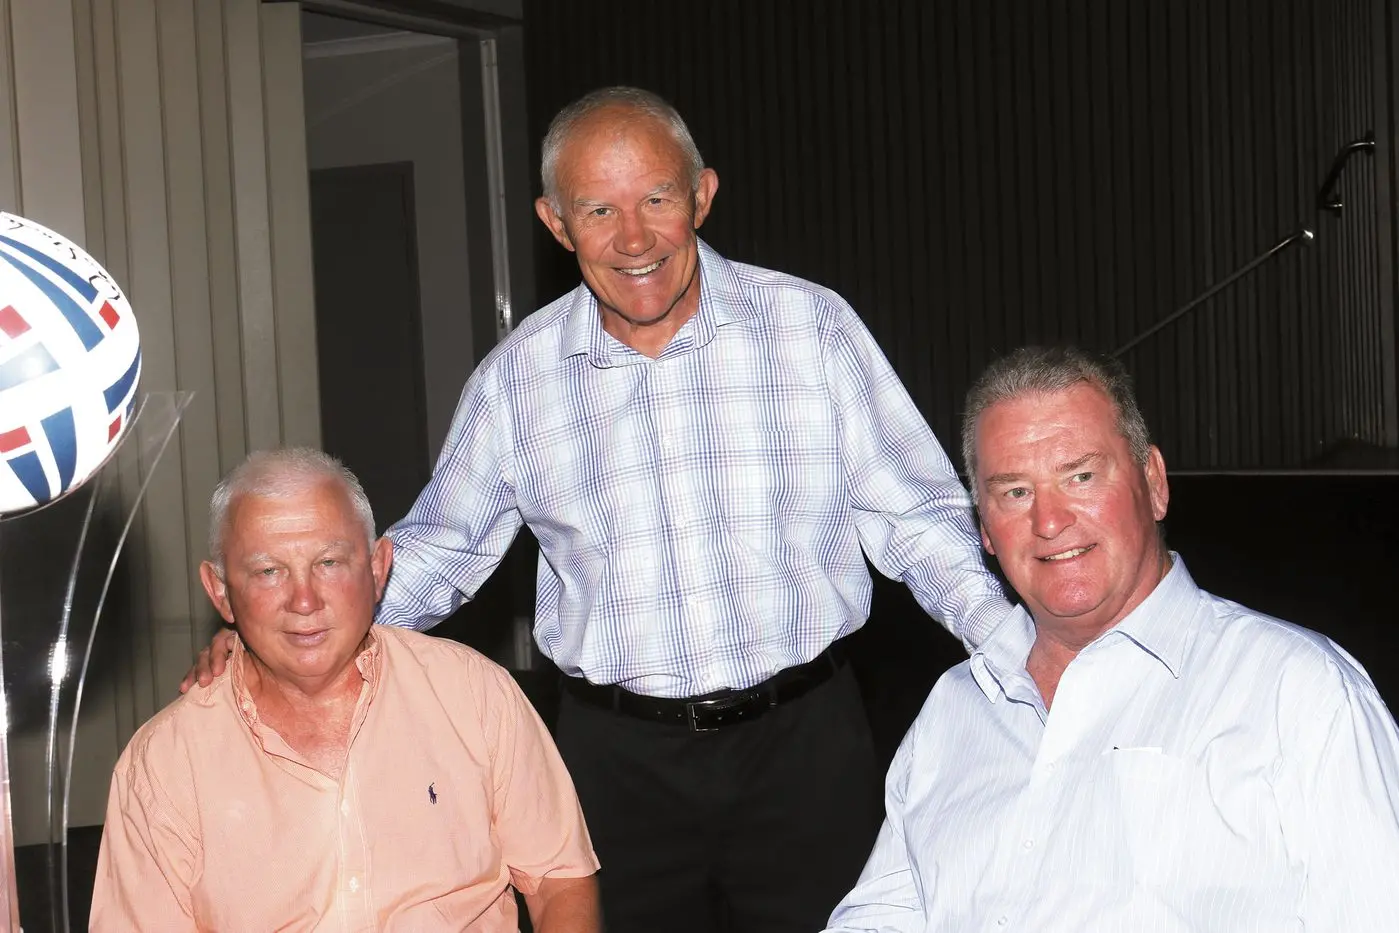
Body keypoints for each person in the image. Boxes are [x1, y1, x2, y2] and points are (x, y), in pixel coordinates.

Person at [185, 86, 1009, 933]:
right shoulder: (517, 380)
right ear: (555, 222)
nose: (634, 238)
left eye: (657, 198)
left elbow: (916, 521)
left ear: (701, 195)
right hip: (616, 769)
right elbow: (438, 552)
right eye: (598, 210)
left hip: (805, 749)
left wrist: (1019, 651)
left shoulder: (811, 329)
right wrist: (284, 636)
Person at [825, 346, 1399, 932]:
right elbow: (881, 917)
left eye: (1080, 476)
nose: (1049, 521)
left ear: (1154, 483)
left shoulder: (1299, 693)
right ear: (985, 531)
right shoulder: (956, 709)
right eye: (1015, 492)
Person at [97, 449, 599, 932]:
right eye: (269, 571)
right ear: (221, 592)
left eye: (329, 563)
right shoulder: (164, 763)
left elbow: (559, 880)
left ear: (378, 569)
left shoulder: (474, 695)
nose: (304, 600)